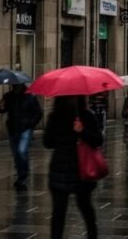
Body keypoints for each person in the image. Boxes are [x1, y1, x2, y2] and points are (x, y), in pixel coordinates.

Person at [44, 96, 103, 239]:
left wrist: (81, 131)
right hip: (68, 170)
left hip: (76, 169)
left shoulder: (84, 116)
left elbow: (48, 143)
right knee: (81, 208)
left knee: (63, 210)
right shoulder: (60, 117)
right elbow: (48, 142)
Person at [0, 84, 43, 190]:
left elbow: (38, 113)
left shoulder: (30, 96)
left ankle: (23, 176)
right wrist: (0, 106)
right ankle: (20, 174)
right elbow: (1, 110)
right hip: (13, 129)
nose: (16, 86)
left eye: (18, 85)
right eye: (14, 85)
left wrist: (30, 124)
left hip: (25, 130)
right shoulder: (8, 96)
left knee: (22, 151)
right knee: (16, 154)